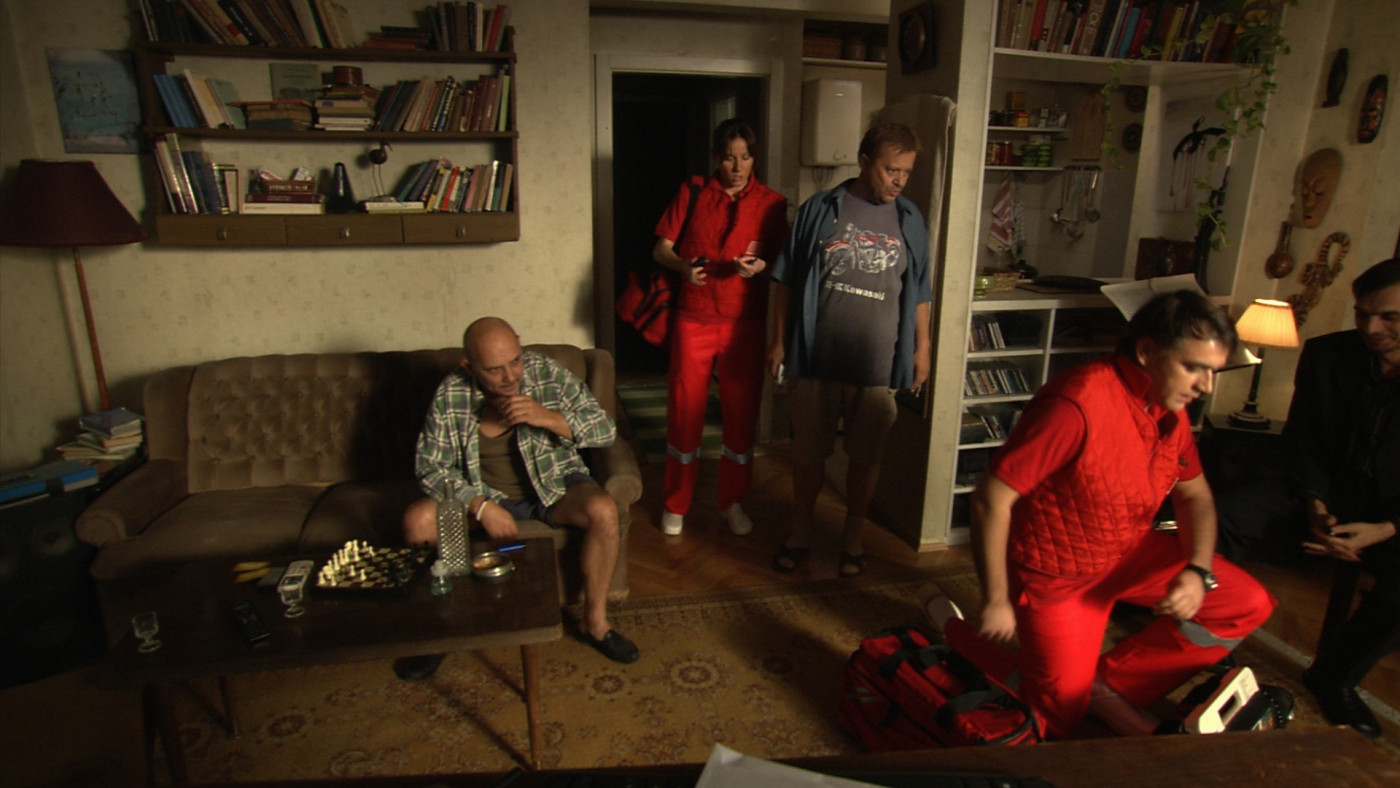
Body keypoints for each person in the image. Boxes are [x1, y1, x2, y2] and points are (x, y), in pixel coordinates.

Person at [934, 290, 1276, 738]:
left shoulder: (1169, 408)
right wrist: (996, 598)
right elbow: (990, 498)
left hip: (1127, 551)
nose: (1206, 387)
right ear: (1147, 351)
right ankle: (957, 635)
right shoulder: (1076, 404)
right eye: (1194, 368)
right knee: (1058, 723)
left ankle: (1105, 686)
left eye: (1213, 372)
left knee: (1244, 603)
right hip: (1058, 573)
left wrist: (1196, 570)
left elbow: (1195, 496)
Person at [395, 317, 639, 679]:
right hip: (482, 494)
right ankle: (442, 631)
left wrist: (548, 417)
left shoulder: (546, 373)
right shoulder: (452, 393)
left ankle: (595, 623)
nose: (510, 376)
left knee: (604, 509)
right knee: (417, 520)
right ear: (470, 367)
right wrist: (480, 505)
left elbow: (605, 430)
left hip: (553, 486)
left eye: (515, 360)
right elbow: (430, 467)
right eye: (494, 369)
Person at [1216, 258, 1399, 739]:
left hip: (1390, 514)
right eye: (1362, 313)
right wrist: (1316, 503)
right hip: (1317, 493)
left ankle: (1335, 677)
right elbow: (1302, 442)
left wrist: (1385, 528)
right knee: (1221, 517)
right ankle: (1210, 647)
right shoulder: (1327, 355)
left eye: (1389, 317)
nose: (1371, 328)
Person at [766, 122, 932, 577]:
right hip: (815, 358)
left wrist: (923, 348)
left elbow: (919, 290)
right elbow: (786, 279)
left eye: (906, 172)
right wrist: (779, 340)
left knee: (867, 456)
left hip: (879, 363)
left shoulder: (910, 220)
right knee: (808, 455)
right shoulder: (821, 209)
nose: (899, 181)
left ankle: (853, 535)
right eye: (891, 170)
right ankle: (801, 530)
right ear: (863, 162)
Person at [652, 119, 788, 537]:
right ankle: (676, 503)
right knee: (684, 413)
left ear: (754, 158)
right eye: (729, 158)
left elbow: (783, 266)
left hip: (744, 324)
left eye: (745, 157)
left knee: (741, 418)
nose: (738, 166)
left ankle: (732, 501)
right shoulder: (692, 192)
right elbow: (661, 249)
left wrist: (761, 266)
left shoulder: (772, 203)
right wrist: (683, 267)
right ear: (716, 158)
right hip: (693, 319)